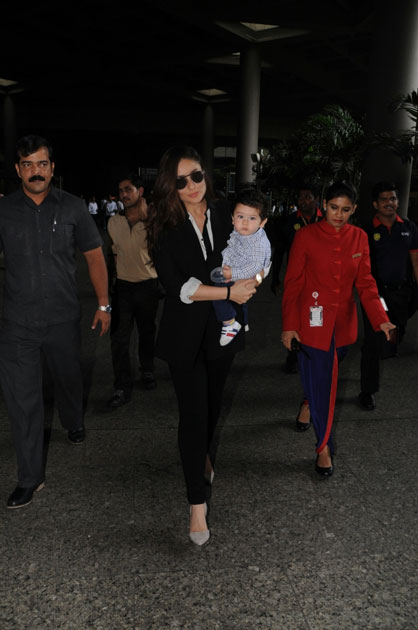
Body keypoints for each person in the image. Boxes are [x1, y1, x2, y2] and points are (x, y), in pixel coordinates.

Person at [146, 146, 257, 545]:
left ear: (206, 176)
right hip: (183, 334)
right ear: (169, 187)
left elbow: (258, 247)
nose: (191, 186)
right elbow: (180, 287)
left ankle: (202, 455)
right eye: (180, 181)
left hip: (222, 329)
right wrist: (228, 288)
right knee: (193, 414)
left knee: (211, 406)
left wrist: (253, 280)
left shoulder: (229, 213)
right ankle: (196, 504)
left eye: (196, 176)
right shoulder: (161, 225)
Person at [0, 134, 111, 509]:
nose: (36, 171)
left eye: (42, 164)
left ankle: (73, 419)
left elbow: (95, 257)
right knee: (22, 401)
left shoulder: (74, 208)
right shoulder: (4, 211)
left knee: (68, 377)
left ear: (52, 169)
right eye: (28, 164)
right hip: (17, 323)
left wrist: (104, 304)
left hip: (63, 317)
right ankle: (30, 478)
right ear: (18, 170)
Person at [281, 182, 395, 477]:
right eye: (334, 208)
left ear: (354, 209)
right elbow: (293, 284)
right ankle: (323, 447)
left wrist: (380, 318)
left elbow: (366, 283)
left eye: (346, 210)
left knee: (322, 378)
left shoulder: (359, 237)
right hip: (311, 323)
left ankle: (308, 400)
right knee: (326, 384)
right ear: (324, 205)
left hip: (343, 326)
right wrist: (289, 326)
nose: (339, 215)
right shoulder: (306, 236)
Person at [358, 182, 418, 410]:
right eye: (384, 199)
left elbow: (415, 260)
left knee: (397, 327)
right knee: (373, 342)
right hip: (375, 294)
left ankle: (393, 337)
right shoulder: (365, 231)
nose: (389, 203)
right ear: (375, 204)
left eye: (392, 199)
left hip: (403, 291)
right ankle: (367, 390)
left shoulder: (409, 228)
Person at [106, 174, 161, 408]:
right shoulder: (113, 222)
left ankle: (147, 369)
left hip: (148, 286)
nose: (124, 194)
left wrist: (150, 219)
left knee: (147, 331)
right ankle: (122, 387)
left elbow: (164, 249)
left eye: (128, 189)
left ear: (140, 191)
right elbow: (114, 253)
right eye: (121, 191)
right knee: (119, 339)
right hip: (124, 289)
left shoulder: (153, 223)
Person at [270, 185, 322, 376]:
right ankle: (292, 356)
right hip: (297, 279)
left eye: (308, 197)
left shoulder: (325, 221)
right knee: (295, 317)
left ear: (317, 199)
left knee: (317, 318)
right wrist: (275, 278)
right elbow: (280, 252)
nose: (303, 201)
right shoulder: (289, 222)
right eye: (300, 197)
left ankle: (315, 354)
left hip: (321, 279)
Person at [210, 188, 271, 346]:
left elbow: (255, 267)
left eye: (252, 218)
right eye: (240, 216)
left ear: (262, 222)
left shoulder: (257, 243)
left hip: (244, 273)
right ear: (232, 218)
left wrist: (232, 274)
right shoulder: (243, 233)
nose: (245, 222)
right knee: (241, 301)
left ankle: (230, 323)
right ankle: (243, 322)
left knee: (218, 295)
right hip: (238, 268)